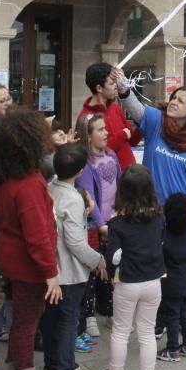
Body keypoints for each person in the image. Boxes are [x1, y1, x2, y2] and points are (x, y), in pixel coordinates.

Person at [0, 109, 61, 370]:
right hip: (29, 266)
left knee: (21, 321)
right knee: (26, 327)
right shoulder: (30, 185)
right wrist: (51, 273)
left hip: (11, 261)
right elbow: (37, 236)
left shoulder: (8, 180)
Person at [110, 65, 186, 217]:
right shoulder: (156, 121)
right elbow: (135, 109)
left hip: (183, 215)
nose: (173, 102)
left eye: (180, 101)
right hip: (150, 212)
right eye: (173, 98)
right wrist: (123, 88)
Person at [43, 143, 106, 370]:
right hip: (69, 272)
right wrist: (97, 259)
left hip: (50, 271)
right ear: (80, 171)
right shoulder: (72, 198)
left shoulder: (49, 189)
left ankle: (51, 365)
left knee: (51, 318)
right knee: (69, 319)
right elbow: (76, 243)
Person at [100, 165, 165, 370]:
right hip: (154, 281)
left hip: (127, 283)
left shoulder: (117, 225)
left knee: (121, 330)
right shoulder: (159, 218)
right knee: (147, 332)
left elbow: (114, 258)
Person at [74, 112, 121, 335]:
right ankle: (89, 315)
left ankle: (111, 312)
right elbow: (89, 197)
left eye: (105, 128)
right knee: (94, 270)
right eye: (100, 129)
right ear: (88, 135)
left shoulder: (112, 156)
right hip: (96, 225)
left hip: (114, 221)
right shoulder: (86, 164)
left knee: (110, 269)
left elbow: (119, 186)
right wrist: (101, 224)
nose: (106, 132)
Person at [157, 192, 186, 363]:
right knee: (185, 313)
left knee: (172, 316)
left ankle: (173, 348)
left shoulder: (164, 236)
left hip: (170, 284)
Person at [80, 62, 140, 170]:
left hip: (131, 175)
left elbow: (133, 141)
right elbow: (91, 153)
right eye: (112, 83)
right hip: (109, 180)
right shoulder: (86, 117)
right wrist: (121, 135)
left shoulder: (115, 108)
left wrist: (142, 123)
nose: (116, 86)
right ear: (99, 88)